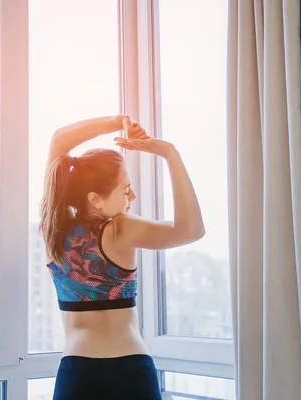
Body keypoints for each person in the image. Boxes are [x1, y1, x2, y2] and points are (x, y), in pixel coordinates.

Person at [40, 115, 205, 400]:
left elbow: (58, 141)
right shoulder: (121, 229)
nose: (134, 196)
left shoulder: (53, 229)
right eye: (126, 190)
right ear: (95, 199)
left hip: (77, 373)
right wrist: (169, 154)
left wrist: (117, 122)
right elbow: (191, 230)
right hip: (130, 371)